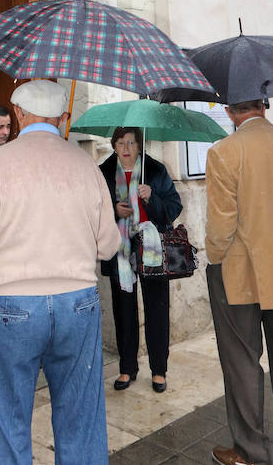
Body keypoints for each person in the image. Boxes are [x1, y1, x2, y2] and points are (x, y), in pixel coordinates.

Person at [0, 80, 120, 465]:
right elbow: (108, 245)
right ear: (62, 117)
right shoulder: (85, 164)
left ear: (17, 114)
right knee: (80, 419)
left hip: (9, 306)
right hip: (77, 304)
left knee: (6, 423)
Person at [206, 99, 273, 465]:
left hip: (239, 274)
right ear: (264, 106)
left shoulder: (224, 151)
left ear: (230, 111)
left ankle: (251, 452)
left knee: (242, 363)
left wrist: (213, 257)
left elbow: (221, 225)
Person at [99, 127, 182, 394]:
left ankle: (159, 370)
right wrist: (114, 210)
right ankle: (127, 367)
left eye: (132, 143)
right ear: (113, 145)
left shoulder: (155, 170)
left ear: (140, 146)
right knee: (123, 310)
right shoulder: (103, 172)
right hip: (120, 249)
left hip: (152, 247)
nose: (126, 149)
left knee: (157, 309)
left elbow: (174, 207)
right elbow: (92, 210)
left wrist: (152, 198)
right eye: (121, 143)